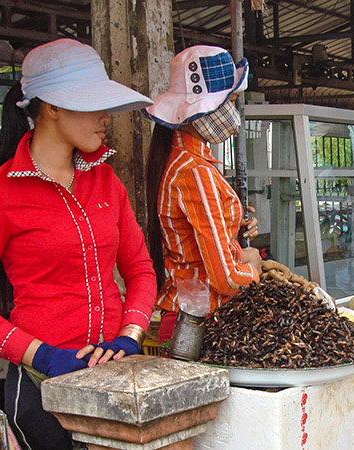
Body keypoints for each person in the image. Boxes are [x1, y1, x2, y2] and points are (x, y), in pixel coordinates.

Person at [0, 39, 157, 450]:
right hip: (42, 387)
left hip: (116, 378)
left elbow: (140, 270)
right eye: (93, 104)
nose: (104, 118)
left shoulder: (106, 181)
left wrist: (130, 335)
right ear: (52, 107)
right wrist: (43, 356)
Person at [143, 45, 262, 343]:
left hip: (186, 318)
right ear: (205, 109)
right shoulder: (196, 172)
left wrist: (234, 227)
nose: (232, 111)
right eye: (229, 101)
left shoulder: (180, 160)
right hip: (200, 326)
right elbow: (227, 278)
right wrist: (254, 267)